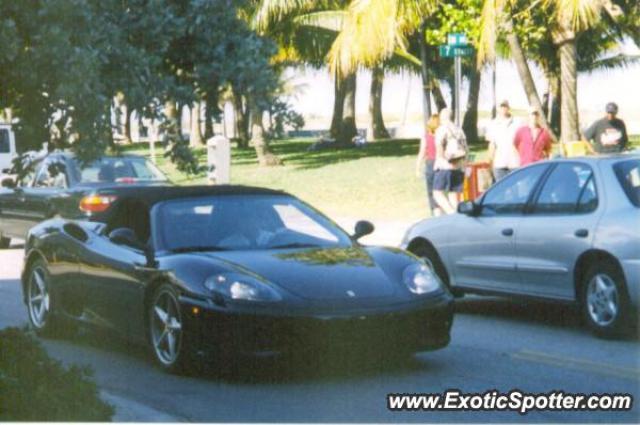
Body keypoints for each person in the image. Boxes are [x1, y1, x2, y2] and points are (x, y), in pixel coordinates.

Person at [433, 108, 468, 215]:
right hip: (459, 166)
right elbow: (466, 148)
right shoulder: (459, 130)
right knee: (454, 194)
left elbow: (439, 148)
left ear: (442, 117)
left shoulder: (442, 129)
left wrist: (438, 162)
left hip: (446, 166)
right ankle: (458, 215)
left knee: (437, 193)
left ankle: (451, 213)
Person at [486, 100, 520, 181]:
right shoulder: (493, 124)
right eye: (501, 106)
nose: (503, 108)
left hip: (514, 163)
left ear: (508, 108)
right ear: (498, 109)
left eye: (505, 106)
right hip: (499, 164)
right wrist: (489, 162)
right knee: (501, 190)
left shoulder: (517, 123)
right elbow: (492, 145)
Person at [415, 114, 442, 216]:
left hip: (430, 163)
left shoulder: (426, 137)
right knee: (441, 190)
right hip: (441, 163)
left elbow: (422, 152)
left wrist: (417, 168)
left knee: (431, 191)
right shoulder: (442, 136)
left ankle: (436, 213)